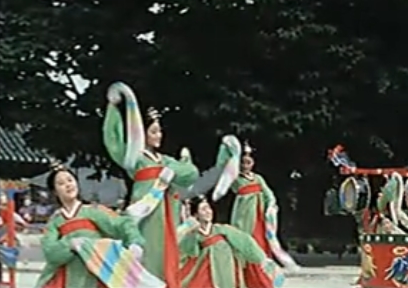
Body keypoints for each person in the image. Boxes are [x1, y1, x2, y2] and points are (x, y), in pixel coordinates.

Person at [103, 82, 200, 288]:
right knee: (147, 257)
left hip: (169, 215)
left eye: (160, 131)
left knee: (168, 259)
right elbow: (113, 140)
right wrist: (113, 108)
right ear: (143, 132)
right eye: (154, 131)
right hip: (146, 215)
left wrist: (174, 169)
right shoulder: (136, 159)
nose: (159, 136)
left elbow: (191, 173)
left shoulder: (166, 160)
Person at [34, 160, 152, 288]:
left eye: (70, 180)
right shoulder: (54, 222)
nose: (68, 185)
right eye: (61, 183)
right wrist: (70, 244)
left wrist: (134, 242)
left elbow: (121, 224)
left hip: (96, 272)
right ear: (55, 191)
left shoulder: (93, 211)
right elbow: (50, 252)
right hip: (68, 277)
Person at [179, 195, 282, 288]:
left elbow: (245, 242)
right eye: (203, 209)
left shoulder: (223, 230)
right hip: (206, 271)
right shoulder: (195, 235)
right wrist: (191, 231)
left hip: (227, 269)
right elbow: (191, 252)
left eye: (209, 208)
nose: (208, 212)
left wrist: (261, 258)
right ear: (196, 214)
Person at [228, 142, 294, 267]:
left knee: (260, 236)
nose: (245, 166)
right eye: (243, 163)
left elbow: (268, 193)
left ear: (253, 164)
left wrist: (270, 205)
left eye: (248, 163)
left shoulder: (258, 178)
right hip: (243, 211)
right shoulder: (236, 179)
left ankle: (260, 263)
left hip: (259, 211)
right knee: (243, 233)